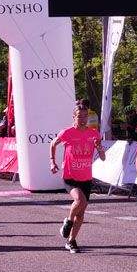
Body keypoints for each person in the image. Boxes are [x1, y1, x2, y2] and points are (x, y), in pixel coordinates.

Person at [50, 101, 105, 253]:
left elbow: (103, 157)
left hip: (86, 177)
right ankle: (68, 221)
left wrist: (100, 149)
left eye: (85, 117)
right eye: (80, 117)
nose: (83, 119)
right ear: (73, 117)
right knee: (79, 200)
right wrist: (52, 162)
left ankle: (71, 241)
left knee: (81, 213)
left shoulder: (93, 134)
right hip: (70, 176)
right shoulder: (67, 133)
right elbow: (53, 144)